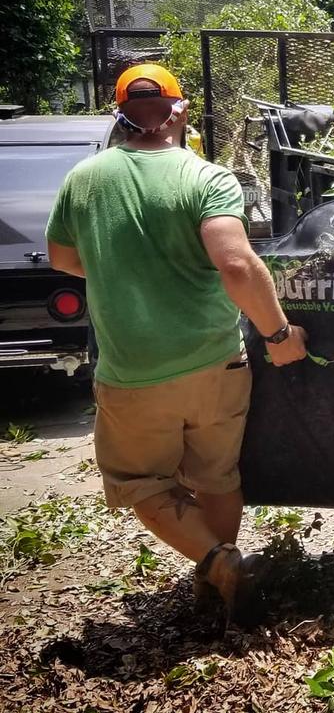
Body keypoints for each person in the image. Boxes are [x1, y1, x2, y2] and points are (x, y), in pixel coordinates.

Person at [46, 64, 308, 624]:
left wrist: (123, 265)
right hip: (215, 363)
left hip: (132, 373)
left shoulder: (85, 179)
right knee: (217, 477)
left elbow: (64, 259)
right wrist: (280, 336)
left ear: (119, 113)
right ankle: (219, 573)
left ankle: (217, 563)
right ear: (180, 111)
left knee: (144, 483)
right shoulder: (207, 178)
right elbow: (236, 264)